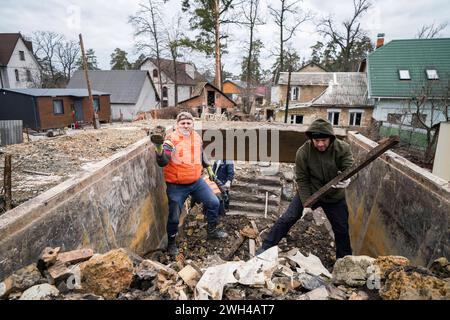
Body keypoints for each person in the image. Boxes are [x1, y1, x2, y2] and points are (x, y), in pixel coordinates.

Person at [257, 118, 354, 260]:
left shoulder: (342, 148)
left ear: (331, 138)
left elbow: (350, 168)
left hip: (334, 196)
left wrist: (347, 178)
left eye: (324, 140)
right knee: (288, 217)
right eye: (317, 141)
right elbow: (302, 180)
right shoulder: (303, 152)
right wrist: (307, 203)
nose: (320, 144)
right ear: (312, 139)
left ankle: (344, 261)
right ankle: (265, 248)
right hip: (310, 192)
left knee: (342, 228)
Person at [151, 111, 228, 256]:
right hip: (176, 185)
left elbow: (201, 153)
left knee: (214, 202)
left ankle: (211, 231)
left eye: (188, 123)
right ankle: (172, 242)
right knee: (174, 216)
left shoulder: (196, 137)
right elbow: (163, 161)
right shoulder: (170, 140)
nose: (186, 126)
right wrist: (159, 148)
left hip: (196, 181)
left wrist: (209, 168)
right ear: (177, 125)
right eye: (182, 123)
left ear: (193, 124)